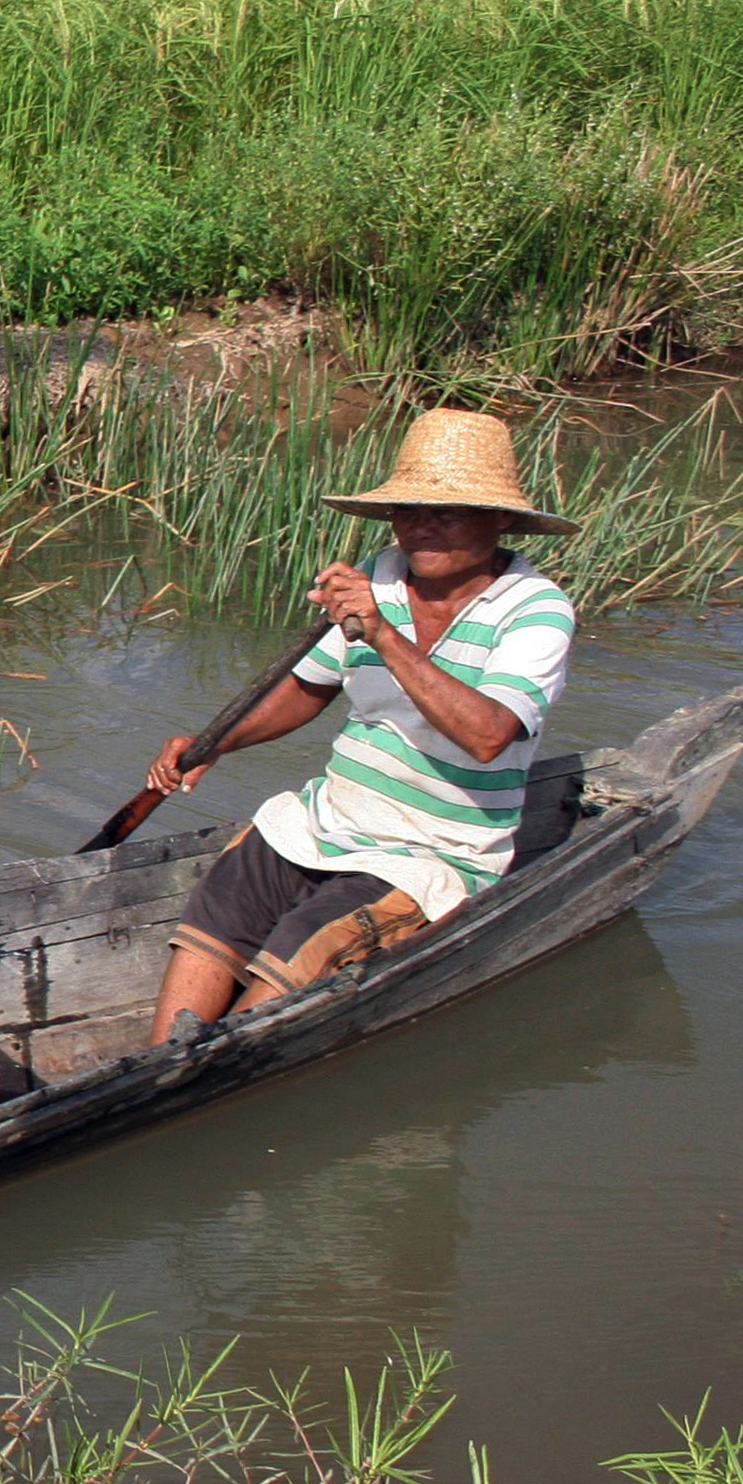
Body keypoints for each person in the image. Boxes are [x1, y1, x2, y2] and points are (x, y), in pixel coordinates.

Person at [149, 409, 580, 1044]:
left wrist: (382, 633)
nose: (421, 527)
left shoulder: (536, 610)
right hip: (329, 819)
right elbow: (309, 687)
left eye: (447, 513)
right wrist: (217, 743)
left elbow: (488, 735)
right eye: (408, 510)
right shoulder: (383, 574)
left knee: (307, 943)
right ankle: (163, 1056)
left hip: (431, 851)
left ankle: (215, 1067)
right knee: (223, 897)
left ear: (499, 521)